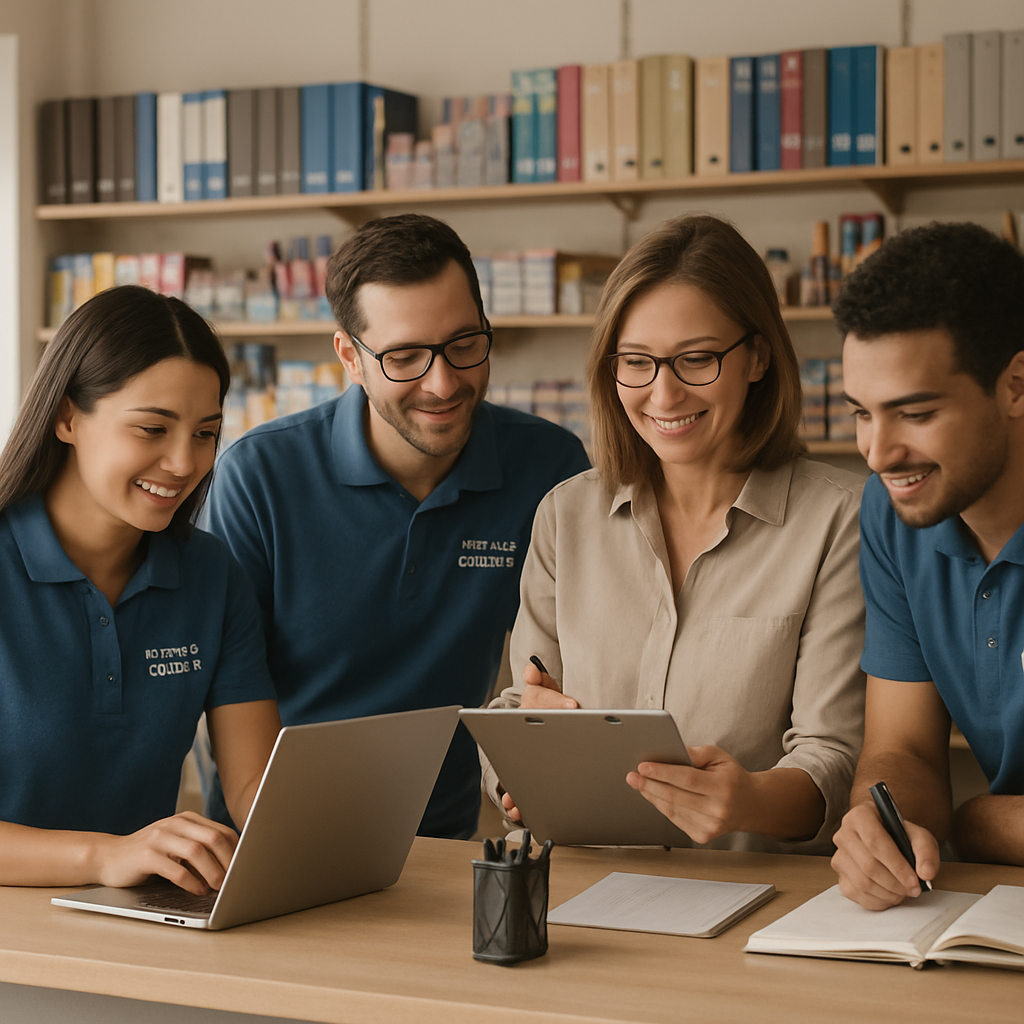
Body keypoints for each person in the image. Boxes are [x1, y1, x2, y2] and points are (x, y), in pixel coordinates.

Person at [484, 214, 866, 853]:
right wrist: (518, 769)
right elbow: (516, 706)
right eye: (636, 362)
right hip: (586, 888)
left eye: (696, 360)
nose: (663, 395)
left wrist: (750, 801)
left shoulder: (840, 520)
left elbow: (836, 755)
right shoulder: (564, 516)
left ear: (758, 357)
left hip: (759, 894)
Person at [204, 213, 590, 839]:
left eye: (464, 344)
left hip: (438, 842)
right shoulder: (259, 476)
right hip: (274, 836)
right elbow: (228, 690)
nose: (443, 383)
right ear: (349, 359)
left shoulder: (549, 466)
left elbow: (571, 661)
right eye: (405, 357)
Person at [0, 285, 281, 893]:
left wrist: (323, 829)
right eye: (153, 428)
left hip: (139, 923)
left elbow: (254, 787)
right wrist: (107, 857)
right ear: (67, 417)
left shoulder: (212, 574)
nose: (184, 463)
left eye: (205, 433)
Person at [830, 221, 1024, 909]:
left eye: (913, 413)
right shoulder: (894, 514)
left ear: (1016, 385)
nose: (878, 454)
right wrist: (883, 825)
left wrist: (980, 822)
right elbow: (903, 748)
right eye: (862, 413)